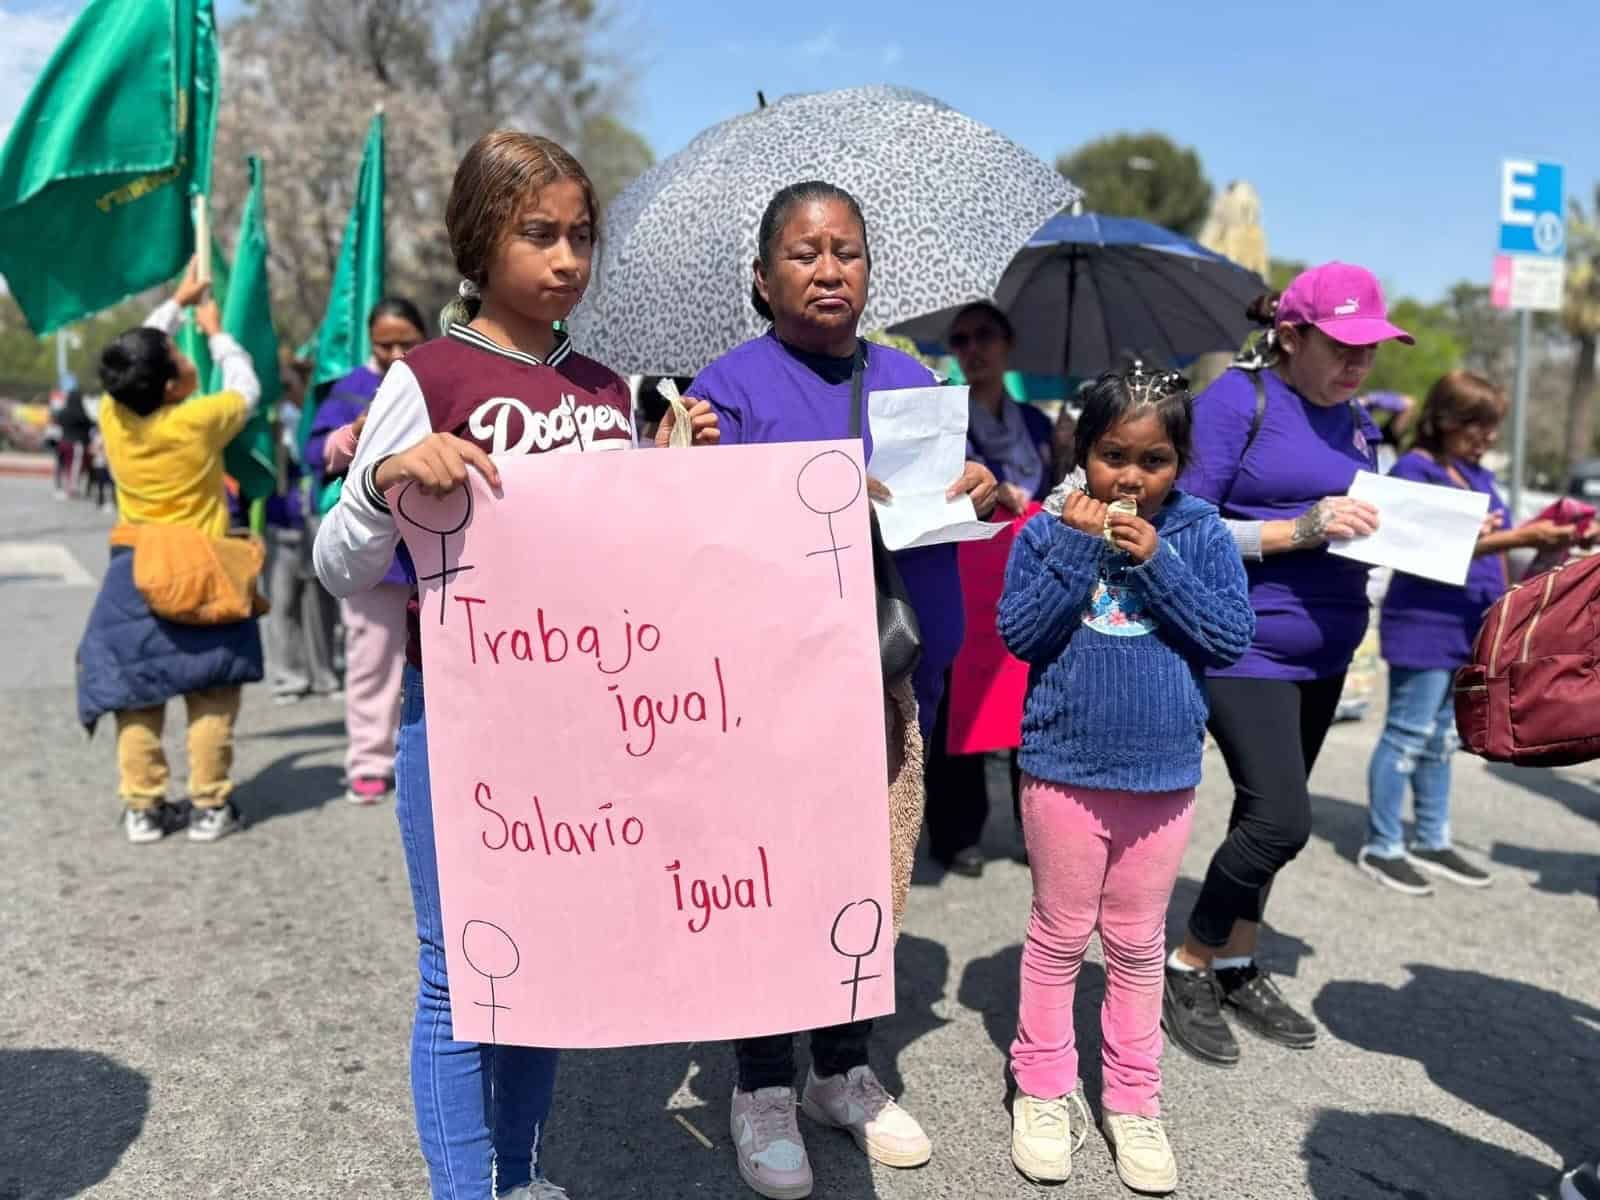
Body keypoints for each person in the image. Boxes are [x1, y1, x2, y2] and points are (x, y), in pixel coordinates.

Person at [313, 129, 717, 1200]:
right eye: (539, 233)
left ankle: (521, 1172)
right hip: (455, 723)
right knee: (459, 974)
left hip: (581, 729)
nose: (566, 257)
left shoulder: (608, 389)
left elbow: (632, 569)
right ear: (478, 241)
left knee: (540, 962)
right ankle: (463, 1189)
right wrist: (388, 476)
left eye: (582, 235)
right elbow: (335, 566)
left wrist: (675, 480)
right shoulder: (427, 376)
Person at [685, 179, 997, 1200]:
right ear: (762, 276)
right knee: (770, 885)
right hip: (765, 689)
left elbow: (942, 515)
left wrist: (977, 488)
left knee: (862, 880)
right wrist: (694, 470)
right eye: (805, 253)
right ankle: (760, 1085)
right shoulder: (721, 390)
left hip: (887, 679)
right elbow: (693, 545)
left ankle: (841, 1069)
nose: (828, 270)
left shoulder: (911, 376)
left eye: (847, 251)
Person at [998, 367, 1252, 1192]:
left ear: (1181, 463)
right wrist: (1075, 545)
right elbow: (1022, 637)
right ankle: (1042, 1086)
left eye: (1155, 460)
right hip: (1063, 768)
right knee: (1060, 933)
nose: (1132, 479)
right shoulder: (1048, 530)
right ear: (1082, 448)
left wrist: (1159, 566)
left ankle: (1135, 1101)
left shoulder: (1204, 533)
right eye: (1113, 456)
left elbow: (1228, 637)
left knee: (1139, 945)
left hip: (1162, 777)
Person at [1161, 263, 1412, 1068]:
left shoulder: (1358, 418)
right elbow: (1180, 527)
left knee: (1263, 823)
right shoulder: (1237, 401)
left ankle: (1237, 959)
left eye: (1370, 350)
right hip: (1247, 644)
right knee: (1283, 820)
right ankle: (1189, 962)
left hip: (1329, 648)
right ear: (1292, 336)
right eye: (1342, 348)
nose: (1358, 366)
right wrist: (1298, 531)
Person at [1360, 370, 1574, 895]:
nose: (1488, 437)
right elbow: (1423, 549)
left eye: (1492, 426)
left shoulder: (1478, 475)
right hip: (1424, 621)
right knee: (1407, 734)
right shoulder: (1415, 470)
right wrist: (1518, 535)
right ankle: (1383, 844)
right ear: (1446, 420)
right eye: (1478, 424)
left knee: (1443, 739)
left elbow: (1503, 548)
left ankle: (1433, 838)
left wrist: (1553, 539)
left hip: (1471, 622)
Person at [77, 261, 264, 844]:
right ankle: (210, 804)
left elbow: (135, 358)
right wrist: (215, 331)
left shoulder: (114, 415)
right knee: (211, 693)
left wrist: (174, 304)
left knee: (137, 697)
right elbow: (245, 388)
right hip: (205, 568)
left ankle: (144, 807)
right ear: (171, 387)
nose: (188, 361)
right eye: (181, 363)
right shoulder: (197, 422)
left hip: (133, 570)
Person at [924, 301, 1054, 876]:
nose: (972, 349)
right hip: (964, 577)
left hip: (1031, 581)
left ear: (1007, 344)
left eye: (983, 337)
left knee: (1034, 703)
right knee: (962, 701)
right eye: (960, 340)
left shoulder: (1041, 426)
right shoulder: (943, 421)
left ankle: (1041, 828)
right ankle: (957, 832)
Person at [304, 297, 428, 803]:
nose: (397, 351)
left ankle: (428, 757)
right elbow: (314, 452)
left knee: (430, 666)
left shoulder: (434, 379)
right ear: (369, 343)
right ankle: (370, 762)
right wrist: (356, 432)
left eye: (407, 341)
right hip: (372, 559)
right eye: (385, 344)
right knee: (372, 661)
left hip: (429, 553)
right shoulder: (348, 390)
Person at [262, 359, 341, 705]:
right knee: (281, 603)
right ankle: (288, 677)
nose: (292, 389)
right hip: (280, 521)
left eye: (297, 382)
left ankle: (324, 674)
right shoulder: (271, 422)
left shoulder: (316, 418)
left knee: (320, 602)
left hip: (315, 520)